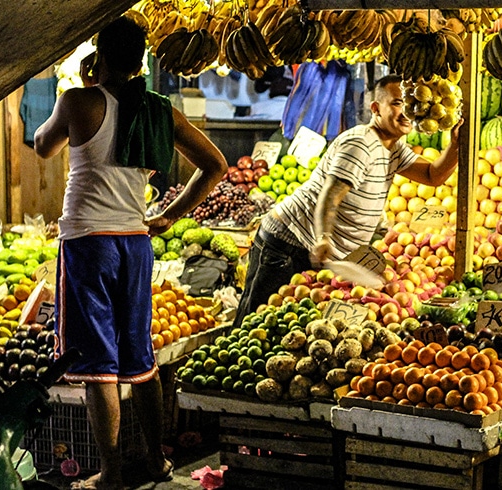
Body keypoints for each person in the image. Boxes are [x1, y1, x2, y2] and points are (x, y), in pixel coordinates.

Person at [34, 16, 227, 490]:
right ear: (140, 59)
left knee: (101, 365)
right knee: (141, 360)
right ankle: (157, 460)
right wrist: (169, 216)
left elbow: (42, 146)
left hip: (87, 244)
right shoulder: (161, 110)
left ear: (98, 55)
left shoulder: (78, 100)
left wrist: (85, 87)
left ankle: (112, 473)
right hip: (135, 244)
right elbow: (215, 166)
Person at [234, 75, 460, 326]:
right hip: (289, 242)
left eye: (407, 104)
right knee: (257, 323)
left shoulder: (393, 147)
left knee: (291, 324)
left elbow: (432, 175)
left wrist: (456, 144)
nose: (405, 112)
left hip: (314, 249)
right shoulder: (361, 144)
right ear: (376, 108)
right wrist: (323, 238)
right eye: (396, 103)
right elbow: (330, 194)